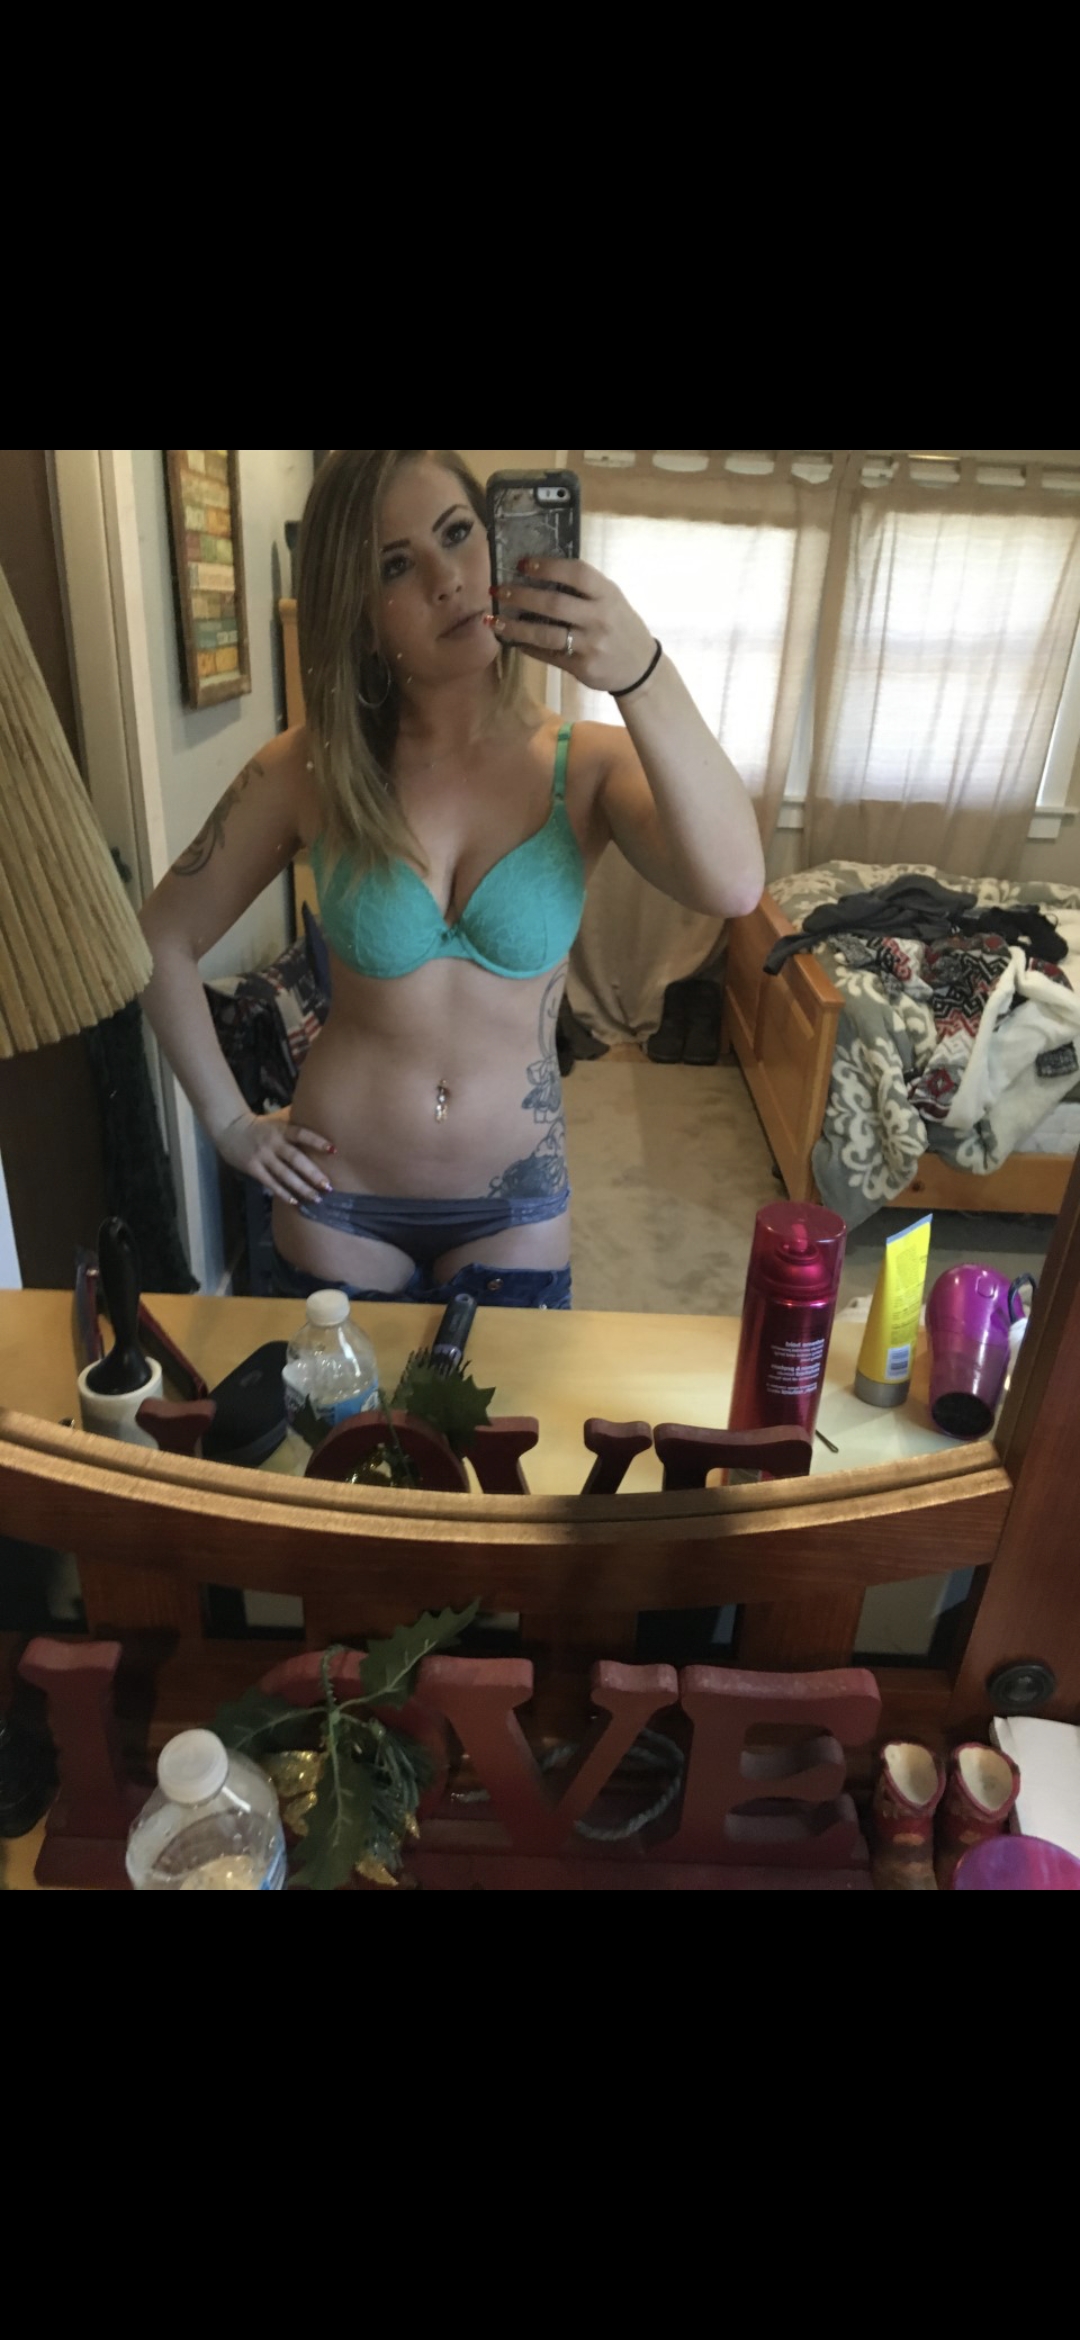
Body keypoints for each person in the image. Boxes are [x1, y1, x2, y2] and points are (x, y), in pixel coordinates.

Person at [139, 449, 765, 1311]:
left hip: (514, 1203)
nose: (448, 579)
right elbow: (159, 938)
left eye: (459, 533)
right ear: (361, 616)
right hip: (338, 1198)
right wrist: (227, 1123)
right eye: (396, 565)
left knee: (502, 1409)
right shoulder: (311, 770)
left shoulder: (584, 766)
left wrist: (641, 674)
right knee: (341, 1409)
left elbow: (733, 884)